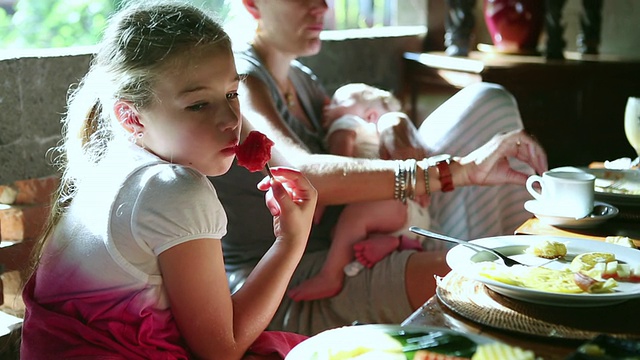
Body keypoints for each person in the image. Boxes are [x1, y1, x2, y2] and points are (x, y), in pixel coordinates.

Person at [211, 0, 548, 336]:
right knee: (488, 277)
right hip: (294, 276)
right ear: (252, 4)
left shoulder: (300, 77)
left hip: (363, 232)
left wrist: (391, 118)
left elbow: (354, 125)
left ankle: (506, 265)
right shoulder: (241, 79)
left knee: (489, 101)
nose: (321, 6)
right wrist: (457, 171)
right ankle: (503, 283)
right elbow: (306, 174)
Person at [20, 2, 317, 359]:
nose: (230, 119)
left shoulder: (109, 165)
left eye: (232, 94)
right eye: (198, 104)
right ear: (131, 117)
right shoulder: (175, 189)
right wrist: (290, 241)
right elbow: (222, 350)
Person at [288, 83, 433, 301]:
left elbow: (337, 163)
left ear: (370, 114)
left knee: (354, 217)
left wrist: (321, 199)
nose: (327, 106)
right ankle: (394, 244)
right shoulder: (382, 132)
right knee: (344, 231)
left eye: (339, 102)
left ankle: (331, 275)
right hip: (411, 214)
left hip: (392, 202)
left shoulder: (348, 123)